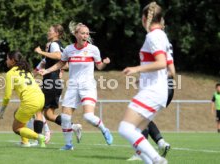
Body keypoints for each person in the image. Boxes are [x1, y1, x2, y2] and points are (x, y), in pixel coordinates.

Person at [40, 22, 113, 150]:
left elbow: (99, 66)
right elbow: (60, 64)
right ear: (76, 34)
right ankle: (68, 145)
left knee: (88, 116)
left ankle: (104, 129)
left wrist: (105, 63)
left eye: (87, 33)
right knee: (66, 117)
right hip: (73, 86)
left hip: (87, 86)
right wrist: (46, 71)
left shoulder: (93, 49)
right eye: (83, 33)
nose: (85, 35)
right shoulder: (69, 49)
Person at [118, 2, 172, 163]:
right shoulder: (162, 35)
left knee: (125, 128)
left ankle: (157, 159)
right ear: (160, 18)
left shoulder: (153, 36)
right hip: (158, 90)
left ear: (144, 19)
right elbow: (170, 68)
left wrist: (136, 69)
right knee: (136, 134)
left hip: (152, 91)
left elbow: (161, 62)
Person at [34, 25, 82, 143]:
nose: (47, 32)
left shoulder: (54, 45)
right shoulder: (60, 45)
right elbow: (65, 64)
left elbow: (58, 56)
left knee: (37, 110)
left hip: (50, 82)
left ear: (56, 33)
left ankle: (38, 139)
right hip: (56, 84)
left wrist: (42, 52)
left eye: (50, 30)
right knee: (49, 114)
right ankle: (73, 126)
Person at [128, 44, 175, 161]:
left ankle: (141, 153)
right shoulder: (165, 43)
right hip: (167, 89)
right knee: (143, 118)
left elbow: (167, 69)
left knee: (138, 116)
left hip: (159, 88)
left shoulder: (155, 40)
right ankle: (161, 143)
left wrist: (138, 70)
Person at [0, 50, 46, 147]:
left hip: (30, 101)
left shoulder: (10, 74)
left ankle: (38, 137)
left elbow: (7, 96)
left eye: (7, 59)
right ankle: (25, 142)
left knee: (16, 128)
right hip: (41, 98)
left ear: (12, 60)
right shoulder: (26, 71)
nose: (6, 61)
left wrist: (2, 109)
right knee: (17, 113)